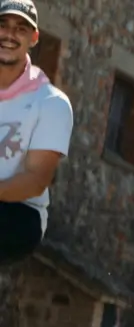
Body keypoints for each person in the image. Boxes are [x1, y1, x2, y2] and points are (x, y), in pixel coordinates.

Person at [0, 0, 71, 266]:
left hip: (20, 213)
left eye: (20, 28)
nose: (9, 35)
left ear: (34, 38)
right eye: (2, 25)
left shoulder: (51, 103)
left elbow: (35, 181)